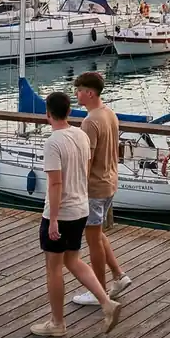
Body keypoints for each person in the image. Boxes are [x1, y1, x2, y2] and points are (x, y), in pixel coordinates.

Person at [32, 92, 121, 336]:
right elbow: (85, 167)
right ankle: (106, 302)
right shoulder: (81, 135)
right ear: (69, 112)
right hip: (81, 208)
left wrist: (52, 220)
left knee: (54, 267)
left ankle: (57, 323)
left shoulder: (52, 143)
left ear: (48, 114)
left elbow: (55, 184)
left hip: (61, 213)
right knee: (72, 260)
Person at [69, 72, 133, 307]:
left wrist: (76, 187)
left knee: (92, 239)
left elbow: (88, 159)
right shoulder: (109, 114)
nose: (76, 94)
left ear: (90, 93)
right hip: (110, 182)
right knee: (97, 234)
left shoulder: (90, 122)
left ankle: (99, 292)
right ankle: (118, 275)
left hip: (94, 188)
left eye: (79, 90)